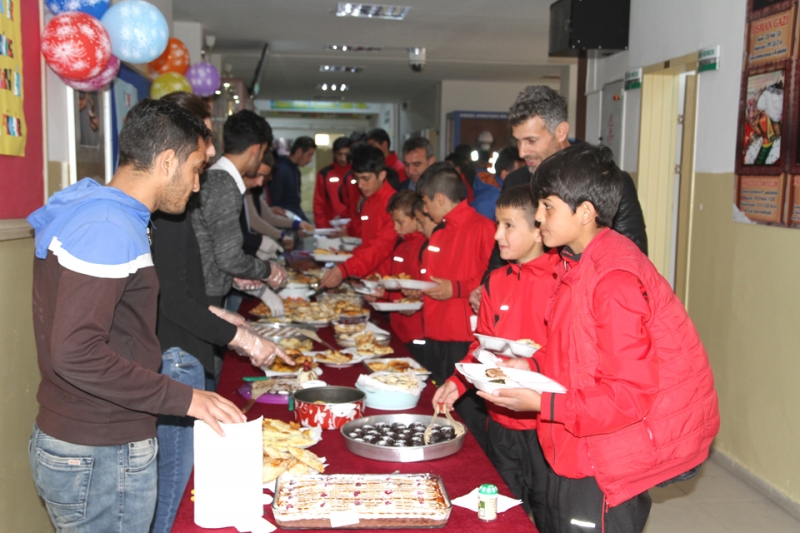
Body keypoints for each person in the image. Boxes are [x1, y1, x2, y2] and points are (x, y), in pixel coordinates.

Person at [27, 98, 246, 533]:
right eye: (196, 169)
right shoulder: (108, 225)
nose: (197, 185)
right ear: (167, 161)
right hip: (100, 449)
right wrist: (186, 398)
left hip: (92, 440)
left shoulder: (108, 212)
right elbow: (76, 353)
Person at [479, 144, 720, 533]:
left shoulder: (613, 281)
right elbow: (575, 352)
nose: (538, 217)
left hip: (607, 457)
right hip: (576, 441)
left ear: (586, 213)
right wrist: (531, 365)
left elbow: (627, 395)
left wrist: (542, 402)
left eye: (548, 206)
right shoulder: (576, 263)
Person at [150, 92, 294, 533]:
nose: (210, 156)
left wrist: (229, 313)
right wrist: (243, 333)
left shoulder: (186, 196)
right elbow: (176, 295)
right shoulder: (187, 200)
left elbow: (190, 275)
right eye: (203, 147)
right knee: (176, 474)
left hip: (197, 321)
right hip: (180, 346)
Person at [432, 185, 559, 528]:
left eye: (508, 225)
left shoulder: (562, 282)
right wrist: (458, 383)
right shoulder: (495, 281)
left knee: (547, 511)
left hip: (545, 424)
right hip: (499, 419)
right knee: (504, 512)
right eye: (497, 224)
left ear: (538, 229)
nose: (497, 234)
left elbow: (568, 356)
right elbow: (481, 347)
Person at [471, 84, 649, 312]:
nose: (522, 151)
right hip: (527, 307)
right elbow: (503, 247)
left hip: (582, 305)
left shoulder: (605, 179)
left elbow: (631, 255)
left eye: (531, 140)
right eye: (518, 141)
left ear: (561, 131)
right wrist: (486, 286)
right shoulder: (517, 181)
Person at [413, 162, 495, 451]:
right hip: (434, 333)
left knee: (469, 417)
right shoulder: (438, 233)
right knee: (439, 408)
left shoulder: (484, 229)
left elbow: (492, 282)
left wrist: (456, 288)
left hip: (464, 337)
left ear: (439, 199)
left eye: (424, 202)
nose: (423, 210)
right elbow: (429, 278)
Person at [191, 110, 287, 338]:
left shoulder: (213, 177)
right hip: (205, 296)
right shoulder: (223, 184)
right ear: (256, 149)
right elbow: (229, 257)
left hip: (203, 290)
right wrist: (267, 270)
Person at [319, 145, 398, 288]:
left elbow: (379, 248)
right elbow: (366, 244)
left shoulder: (394, 206)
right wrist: (347, 257)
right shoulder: (367, 202)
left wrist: (345, 269)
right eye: (357, 179)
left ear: (382, 175)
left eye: (365, 178)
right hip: (370, 280)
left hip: (387, 283)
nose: (360, 185)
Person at [363, 190, 427, 363]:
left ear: (417, 218)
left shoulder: (425, 248)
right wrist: (377, 294)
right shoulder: (400, 247)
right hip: (397, 327)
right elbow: (392, 284)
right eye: (394, 222)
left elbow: (421, 292)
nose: (396, 228)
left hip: (419, 332)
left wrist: (383, 295)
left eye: (401, 222)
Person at [267, 136, 316, 221]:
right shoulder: (281, 170)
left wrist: (304, 223)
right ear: (299, 152)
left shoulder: (296, 171)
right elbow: (276, 205)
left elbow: (295, 203)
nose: (310, 160)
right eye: (309, 155)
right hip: (283, 223)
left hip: (292, 220)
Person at [470, 146, 525, 221]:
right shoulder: (489, 203)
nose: (524, 177)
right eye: (519, 173)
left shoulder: (502, 194)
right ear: (504, 175)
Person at [313, 136, 352, 227]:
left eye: (346, 154)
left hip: (353, 226)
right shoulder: (324, 174)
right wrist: (323, 227)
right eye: (340, 154)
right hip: (330, 226)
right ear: (333, 154)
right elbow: (319, 203)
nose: (343, 158)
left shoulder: (357, 172)